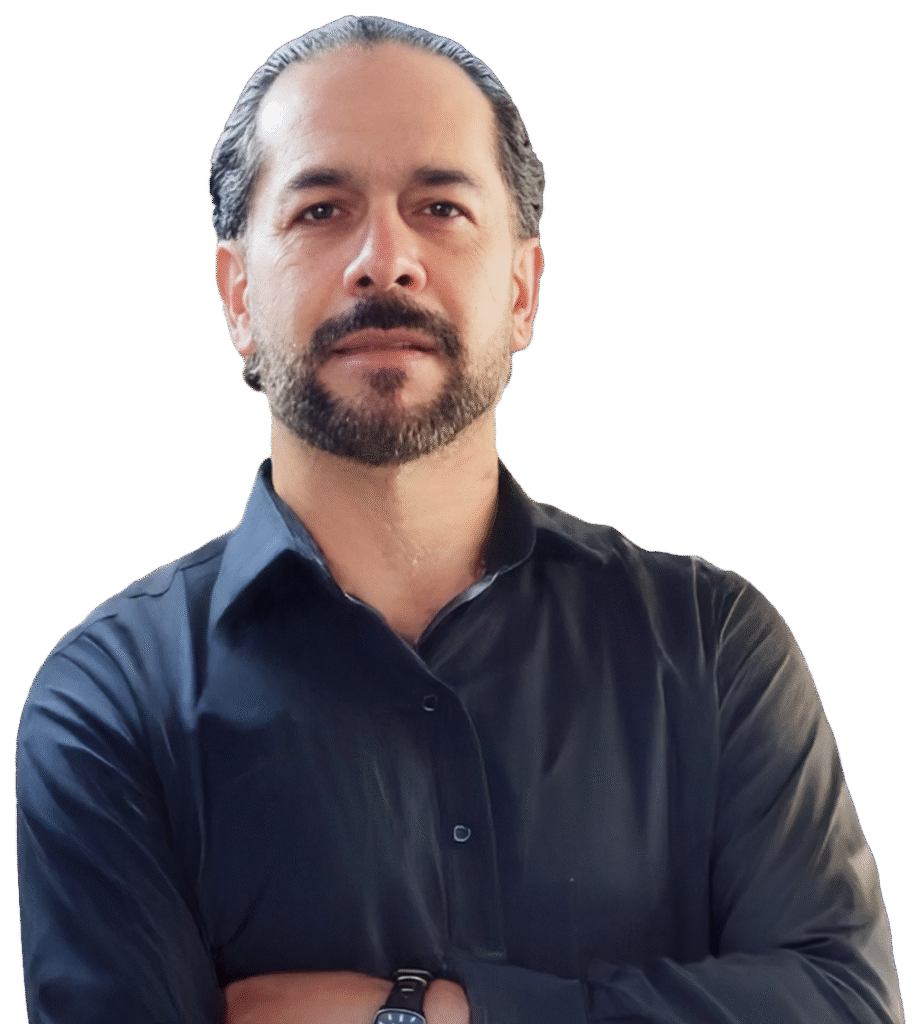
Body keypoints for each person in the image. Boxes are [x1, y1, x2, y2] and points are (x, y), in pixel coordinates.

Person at [16, 15, 904, 1024]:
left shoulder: (709, 648)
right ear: (236, 296)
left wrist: (431, 1013)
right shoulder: (112, 706)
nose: (384, 261)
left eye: (439, 207)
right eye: (320, 210)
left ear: (522, 289)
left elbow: (844, 1003)